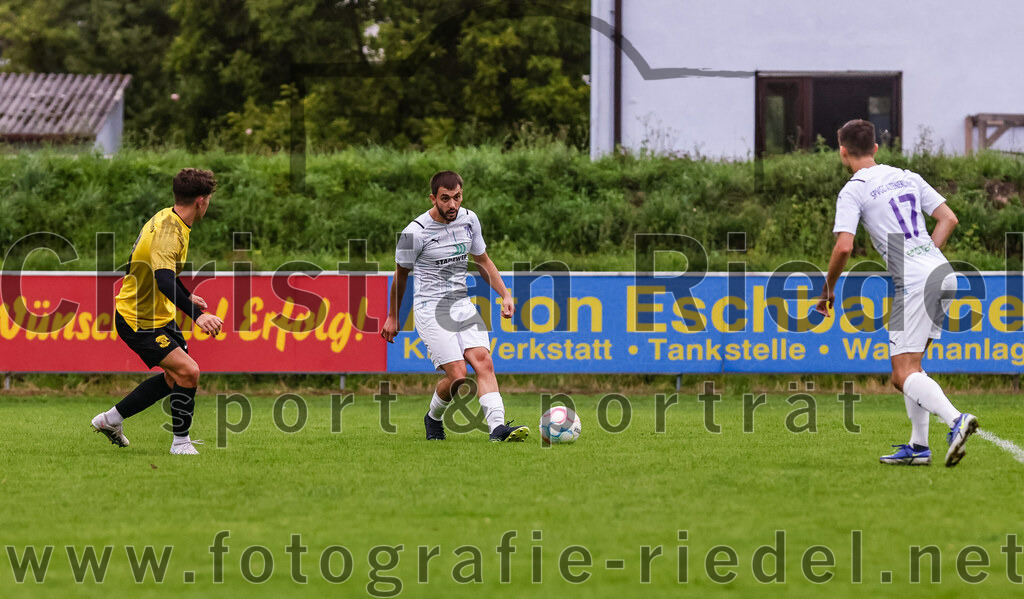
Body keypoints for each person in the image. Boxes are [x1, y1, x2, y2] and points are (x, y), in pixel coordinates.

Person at [816, 119, 978, 467]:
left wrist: (828, 290)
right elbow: (948, 218)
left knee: (901, 373)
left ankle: (956, 420)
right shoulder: (907, 176)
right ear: (875, 148)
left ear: (842, 151)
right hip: (941, 271)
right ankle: (919, 447)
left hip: (916, 280)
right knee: (913, 367)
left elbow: (844, 247)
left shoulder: (854, 189)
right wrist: (927, 259)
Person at [381, 171, 529, 442]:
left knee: (484, 362)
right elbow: (399, 277)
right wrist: (393, 316)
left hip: (462, 303)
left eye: (457, 197)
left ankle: (497, 429)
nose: (452, 205)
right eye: (445, 198)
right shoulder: (412, 233)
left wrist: (505, 294)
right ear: (433, 198)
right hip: (429, 308)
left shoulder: (469, 220)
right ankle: (433, 417)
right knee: (458, 375)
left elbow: (483, 261)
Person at [91, 168, 223, 455]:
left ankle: (109, 421)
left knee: (176, 377)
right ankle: (180, 444)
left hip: (159, 315)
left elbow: (163, 274)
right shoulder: (169, 232)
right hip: (137, 320)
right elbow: (163, 278)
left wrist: (188, 297)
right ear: (201, 201)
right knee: (189, 371)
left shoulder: (168, 218)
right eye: (209, 199)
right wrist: (197, 315)